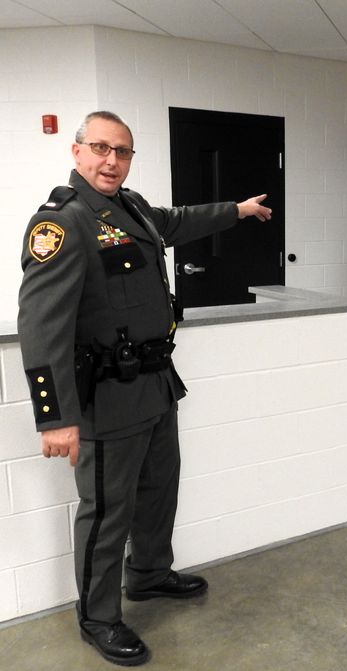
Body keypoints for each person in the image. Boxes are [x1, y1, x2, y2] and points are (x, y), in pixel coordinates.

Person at [17, 111, 272, 667]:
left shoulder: (130, 207)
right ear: (77, 150)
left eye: (123, 151)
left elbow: (176, 221)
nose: (112, 161)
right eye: (102, 148)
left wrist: (237, 210)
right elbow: (41, 328)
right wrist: (55, 417)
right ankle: (99, 616)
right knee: (107, 513)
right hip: (106, 399)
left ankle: (150, 575)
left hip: (155, 385)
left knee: (159, 492)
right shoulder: (62, 223)